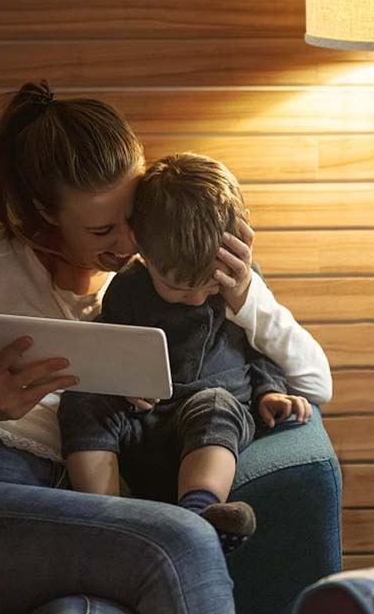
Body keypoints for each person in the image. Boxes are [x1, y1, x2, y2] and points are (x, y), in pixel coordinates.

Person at [0, 81, 333, 614]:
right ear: (48, 213)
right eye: (100, 229)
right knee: (182, 539)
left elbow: (313, 382)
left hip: (74, 501)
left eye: (132, 219)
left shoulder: (158, 283)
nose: (126, 243)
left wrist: (247, 297)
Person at [59, 152, 322, 555]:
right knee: (82, 399)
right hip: (140, 420)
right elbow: (107, 345)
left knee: (216, 404)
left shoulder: (236, 284)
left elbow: (261, 352)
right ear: (144, 254)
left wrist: (270, 392)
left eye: (208, 288)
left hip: (206, 422)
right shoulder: (128, 287)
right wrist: (118, 381)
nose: (198, 297)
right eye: (180, 289)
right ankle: (107, 515)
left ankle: (201, 514)